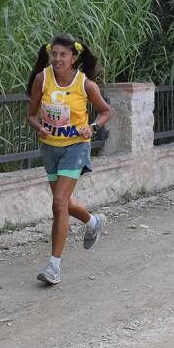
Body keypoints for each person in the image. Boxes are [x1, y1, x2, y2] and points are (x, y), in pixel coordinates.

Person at [26, 34, 112, 285]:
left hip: (75, 147)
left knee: (58, 203)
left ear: (74, 57)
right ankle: (93, 222)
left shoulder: (85, 84)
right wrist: (39, 128)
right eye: (54, 54)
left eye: (63, 54)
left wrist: (93, 127)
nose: (58, 59)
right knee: (64, 203)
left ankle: (54, 266)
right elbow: (31, 115)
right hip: (50, 149)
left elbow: (107, 111)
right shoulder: (43, 79)